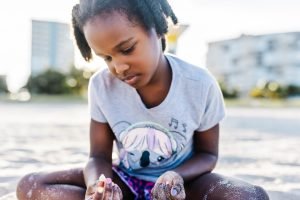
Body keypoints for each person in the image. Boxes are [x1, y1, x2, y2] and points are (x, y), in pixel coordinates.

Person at [16, 0, 270, 199]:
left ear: (159, 30)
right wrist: (99, 186)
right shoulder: (101, 85)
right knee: (32, 185)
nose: (119, 66)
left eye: (126, 49)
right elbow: (98, 157)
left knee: (251, 196)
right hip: (125, 182)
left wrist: (175, 176)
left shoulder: (200, 84)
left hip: (182, 187)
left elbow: (208, 155)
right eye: (106, 57)